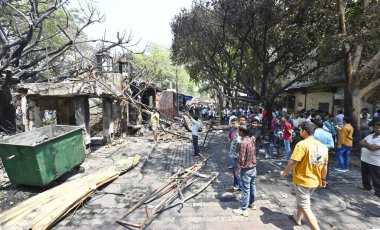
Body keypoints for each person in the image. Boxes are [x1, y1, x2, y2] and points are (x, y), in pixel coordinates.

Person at [280, 122, 328, 230]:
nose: (299, 131)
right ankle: (297, 218)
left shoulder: (302, 144)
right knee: (302, 201)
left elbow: (293, 161)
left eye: (300, 130)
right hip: (315, 181)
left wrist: (284, 173)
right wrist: (323, 179)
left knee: (306, 207)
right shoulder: (323, 146)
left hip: (303, 181)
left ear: (304, 132)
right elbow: (325, 166)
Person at [232, 126, 257, 217]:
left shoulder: (243, 142)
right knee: (252, 186)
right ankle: (252, 203)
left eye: (239, 131)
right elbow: (254, 153)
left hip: (246, 169)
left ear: (242, 132)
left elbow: (241, 158)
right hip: (253, 167)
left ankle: (243, 209)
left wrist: (237, 169)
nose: (238, 132)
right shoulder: (251, 140)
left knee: (246, 189)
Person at [359, 122, 380, 198]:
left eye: (379, 128)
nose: (378, 129)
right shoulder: (370, 136)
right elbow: (360, 143)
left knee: (376, 177)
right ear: (373, 128)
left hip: (375, 161)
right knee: (365, 174)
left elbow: (373, 148)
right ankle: (366, 186)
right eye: (376, 127)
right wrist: (368, 145)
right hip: (365, 158)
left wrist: (366, 144)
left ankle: (378, 193)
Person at [229, 118, 242, 192]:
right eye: (232, 123)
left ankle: (240, 187)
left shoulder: (240, 132)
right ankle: (237, 185)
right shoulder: (235, 131)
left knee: (238, 172)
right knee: (235, 171)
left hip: (237, 156)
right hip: (234, 155)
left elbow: (239, 143)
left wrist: (237, 151)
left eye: (234, 123)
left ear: (238, 123)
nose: (232, 125)